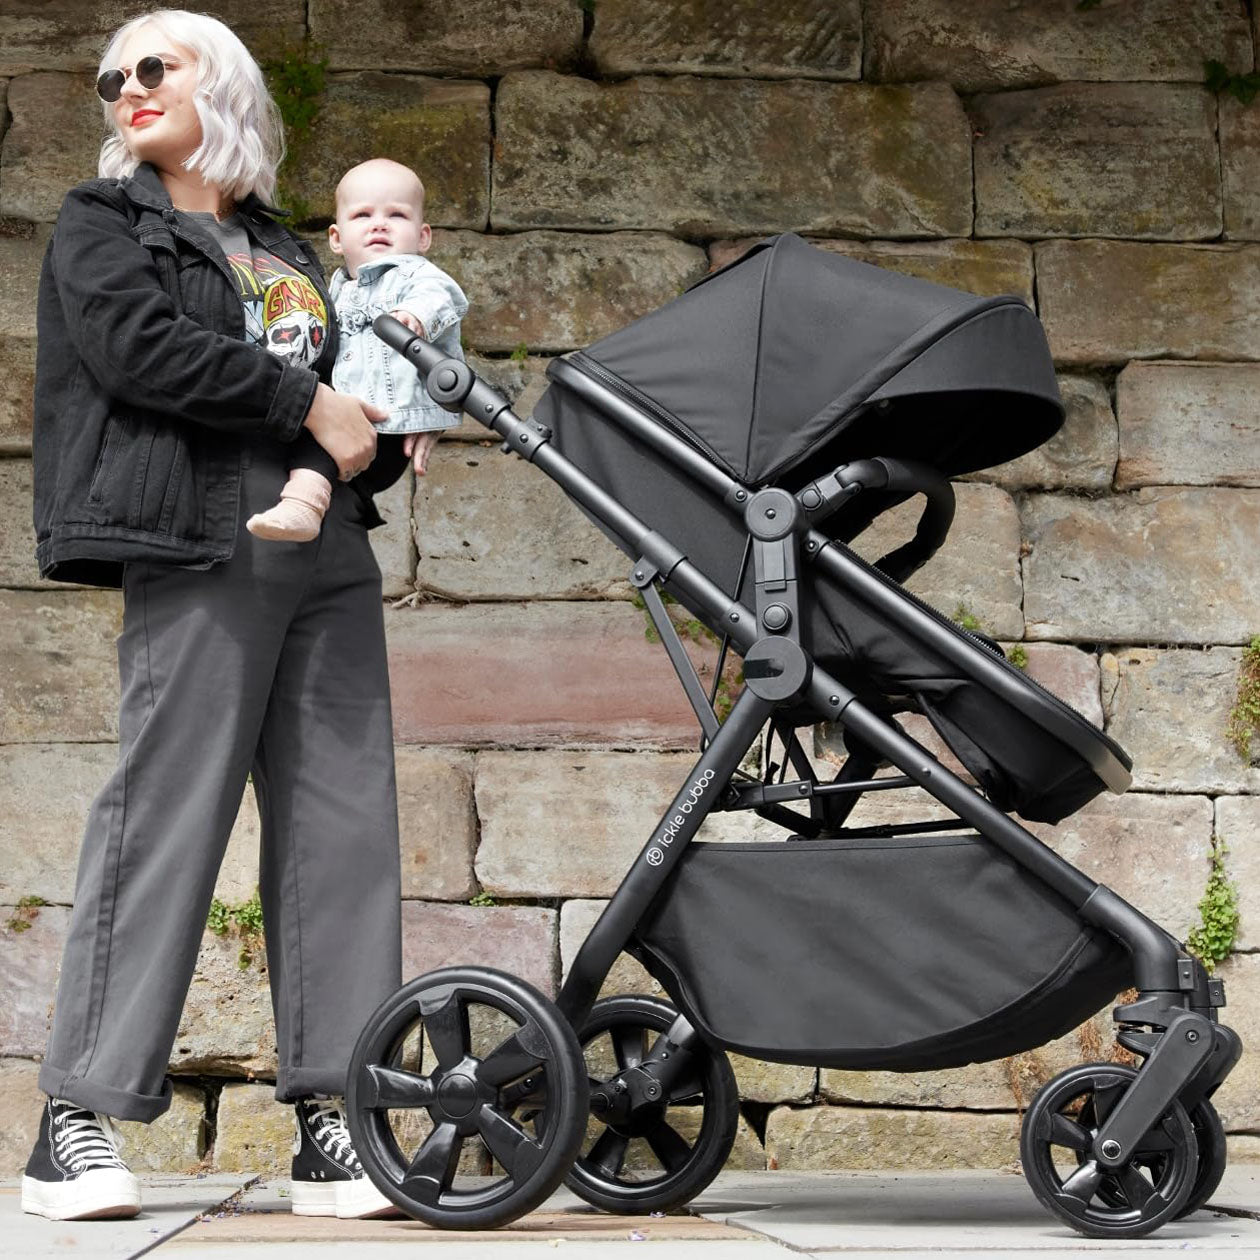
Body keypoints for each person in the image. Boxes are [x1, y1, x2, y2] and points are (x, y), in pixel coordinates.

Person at [25, 9, 407, 1222]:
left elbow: (350, 400)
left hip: (326, 537)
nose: (126, 88)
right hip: (197, 522)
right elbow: (137, 350)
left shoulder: (285, 244)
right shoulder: (104, 225)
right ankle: (74, 1117)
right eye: (112, 78)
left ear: (221, 86)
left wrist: (371, 436)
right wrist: (307, 402)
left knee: (344, 821)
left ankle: (336, 1121)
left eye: (155, 68)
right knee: (167, 811)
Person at [246, 157, 467, 542]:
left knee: (316, 452)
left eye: (396, 215)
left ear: (423, 236)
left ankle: (303, 506)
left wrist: (413, 314)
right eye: (362, 214)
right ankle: (318, 512)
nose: (379, 223)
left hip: (388, 423)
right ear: (336, 237)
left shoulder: (414, 276)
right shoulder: (333, 292)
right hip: (347, 415)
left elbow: (442, 295)